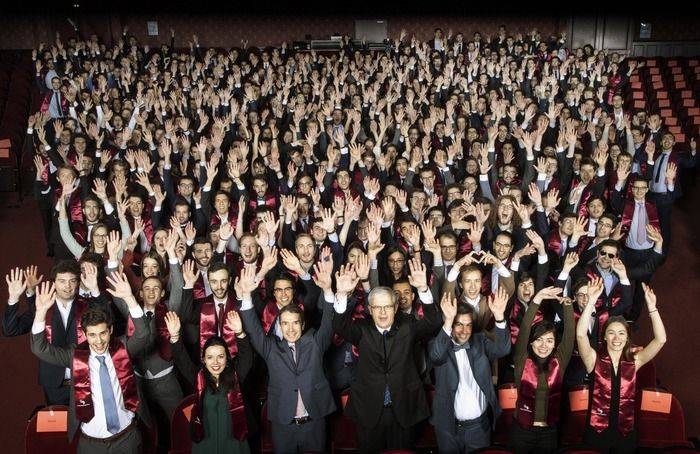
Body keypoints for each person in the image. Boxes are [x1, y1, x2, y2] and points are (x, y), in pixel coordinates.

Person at [30, 272, 149, 452]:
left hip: (127, 438)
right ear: (84, 335)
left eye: (103, 333)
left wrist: (130, 299)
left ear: (110, 331)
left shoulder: (121, 348)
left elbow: (143, 333)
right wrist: (40, 313)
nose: (99, 341)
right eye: (92, 335)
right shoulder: (75, 356)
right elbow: (39, 349)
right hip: (91, 444)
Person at [332, 258, 442, 453]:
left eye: (388, 307)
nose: (383, 312)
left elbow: (433, 321)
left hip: (403, 411)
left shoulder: (407, 329)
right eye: (377, 307)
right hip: (369, 412)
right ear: (369, 309)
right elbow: (339, 325)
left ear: (396, 308)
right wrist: (341, 293)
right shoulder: (361, 330)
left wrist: (424, 288)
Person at [238, 256, 336, 453]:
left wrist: (327, 290)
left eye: (294, 323)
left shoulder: (315, 342)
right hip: (283, 426)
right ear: (279, 326)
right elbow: (254, 330)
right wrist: (247, 296)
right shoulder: (272, 348)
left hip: (314, 423)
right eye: (285, 324)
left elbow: (328, 322)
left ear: (302, 324)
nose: (290, 329)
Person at [577, 278, 667, 453]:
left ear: (627, 338)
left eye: (621, 333)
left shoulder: (635, 361)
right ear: (604, 337)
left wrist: (652, 307)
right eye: (611, 333)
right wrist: (591, 303)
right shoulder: (593, 359)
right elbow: (581, 335)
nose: (616, 338)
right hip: (596, 431)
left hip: (626, 432)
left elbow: (661, 340)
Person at [4, 260, 108, 405]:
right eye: (62, 281)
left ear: (78, 283)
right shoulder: (42, 306)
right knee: (58, 425)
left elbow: (108, 320)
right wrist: (14, 298)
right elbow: (10, 330)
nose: (67, 286)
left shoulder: (87, 305)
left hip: (87, 378)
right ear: (54, 283)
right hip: (53, 383)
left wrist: (95, 289)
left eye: (72, 281)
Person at [429, 287, 510, 453]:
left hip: (479, 428)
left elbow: (503, 349)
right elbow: (436, 356)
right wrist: (448, 320)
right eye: (459, 324)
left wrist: (500, 317)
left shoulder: (479, 341)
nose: (464, 331)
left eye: (468, 325)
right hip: (447, 427)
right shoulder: (439, 344)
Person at [166, 312, 253, 454]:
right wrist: (175, 336)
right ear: (204, 359)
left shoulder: (235, 376)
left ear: (227, 358)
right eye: (210, 357)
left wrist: (239, 332)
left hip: (234, 441)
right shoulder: (198, 377)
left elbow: (247, 358)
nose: (216, 362)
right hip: (205, 442)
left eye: (220, 356)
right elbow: (182, 360)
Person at [508, 287, 574, 454]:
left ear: (555, 344)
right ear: (531, 342)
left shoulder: (560, 361)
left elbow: (569, 335)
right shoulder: (522, 358)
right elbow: (525, 328)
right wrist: (537, 299)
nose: (544, 345)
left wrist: (567, 306)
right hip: (522, 431)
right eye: (539, 340)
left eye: (549, 341)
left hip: (549, 433)